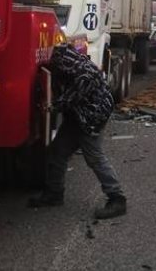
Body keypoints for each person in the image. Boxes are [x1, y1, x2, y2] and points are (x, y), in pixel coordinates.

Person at [28, 44, 126, 219]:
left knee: (95, 158)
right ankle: (54, 194)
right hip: (77, 116)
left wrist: (49, 107)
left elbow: (68, 100)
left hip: (91, 119)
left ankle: (117, 198)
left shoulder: (83, 76)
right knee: (58, 151)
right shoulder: (74, 65)